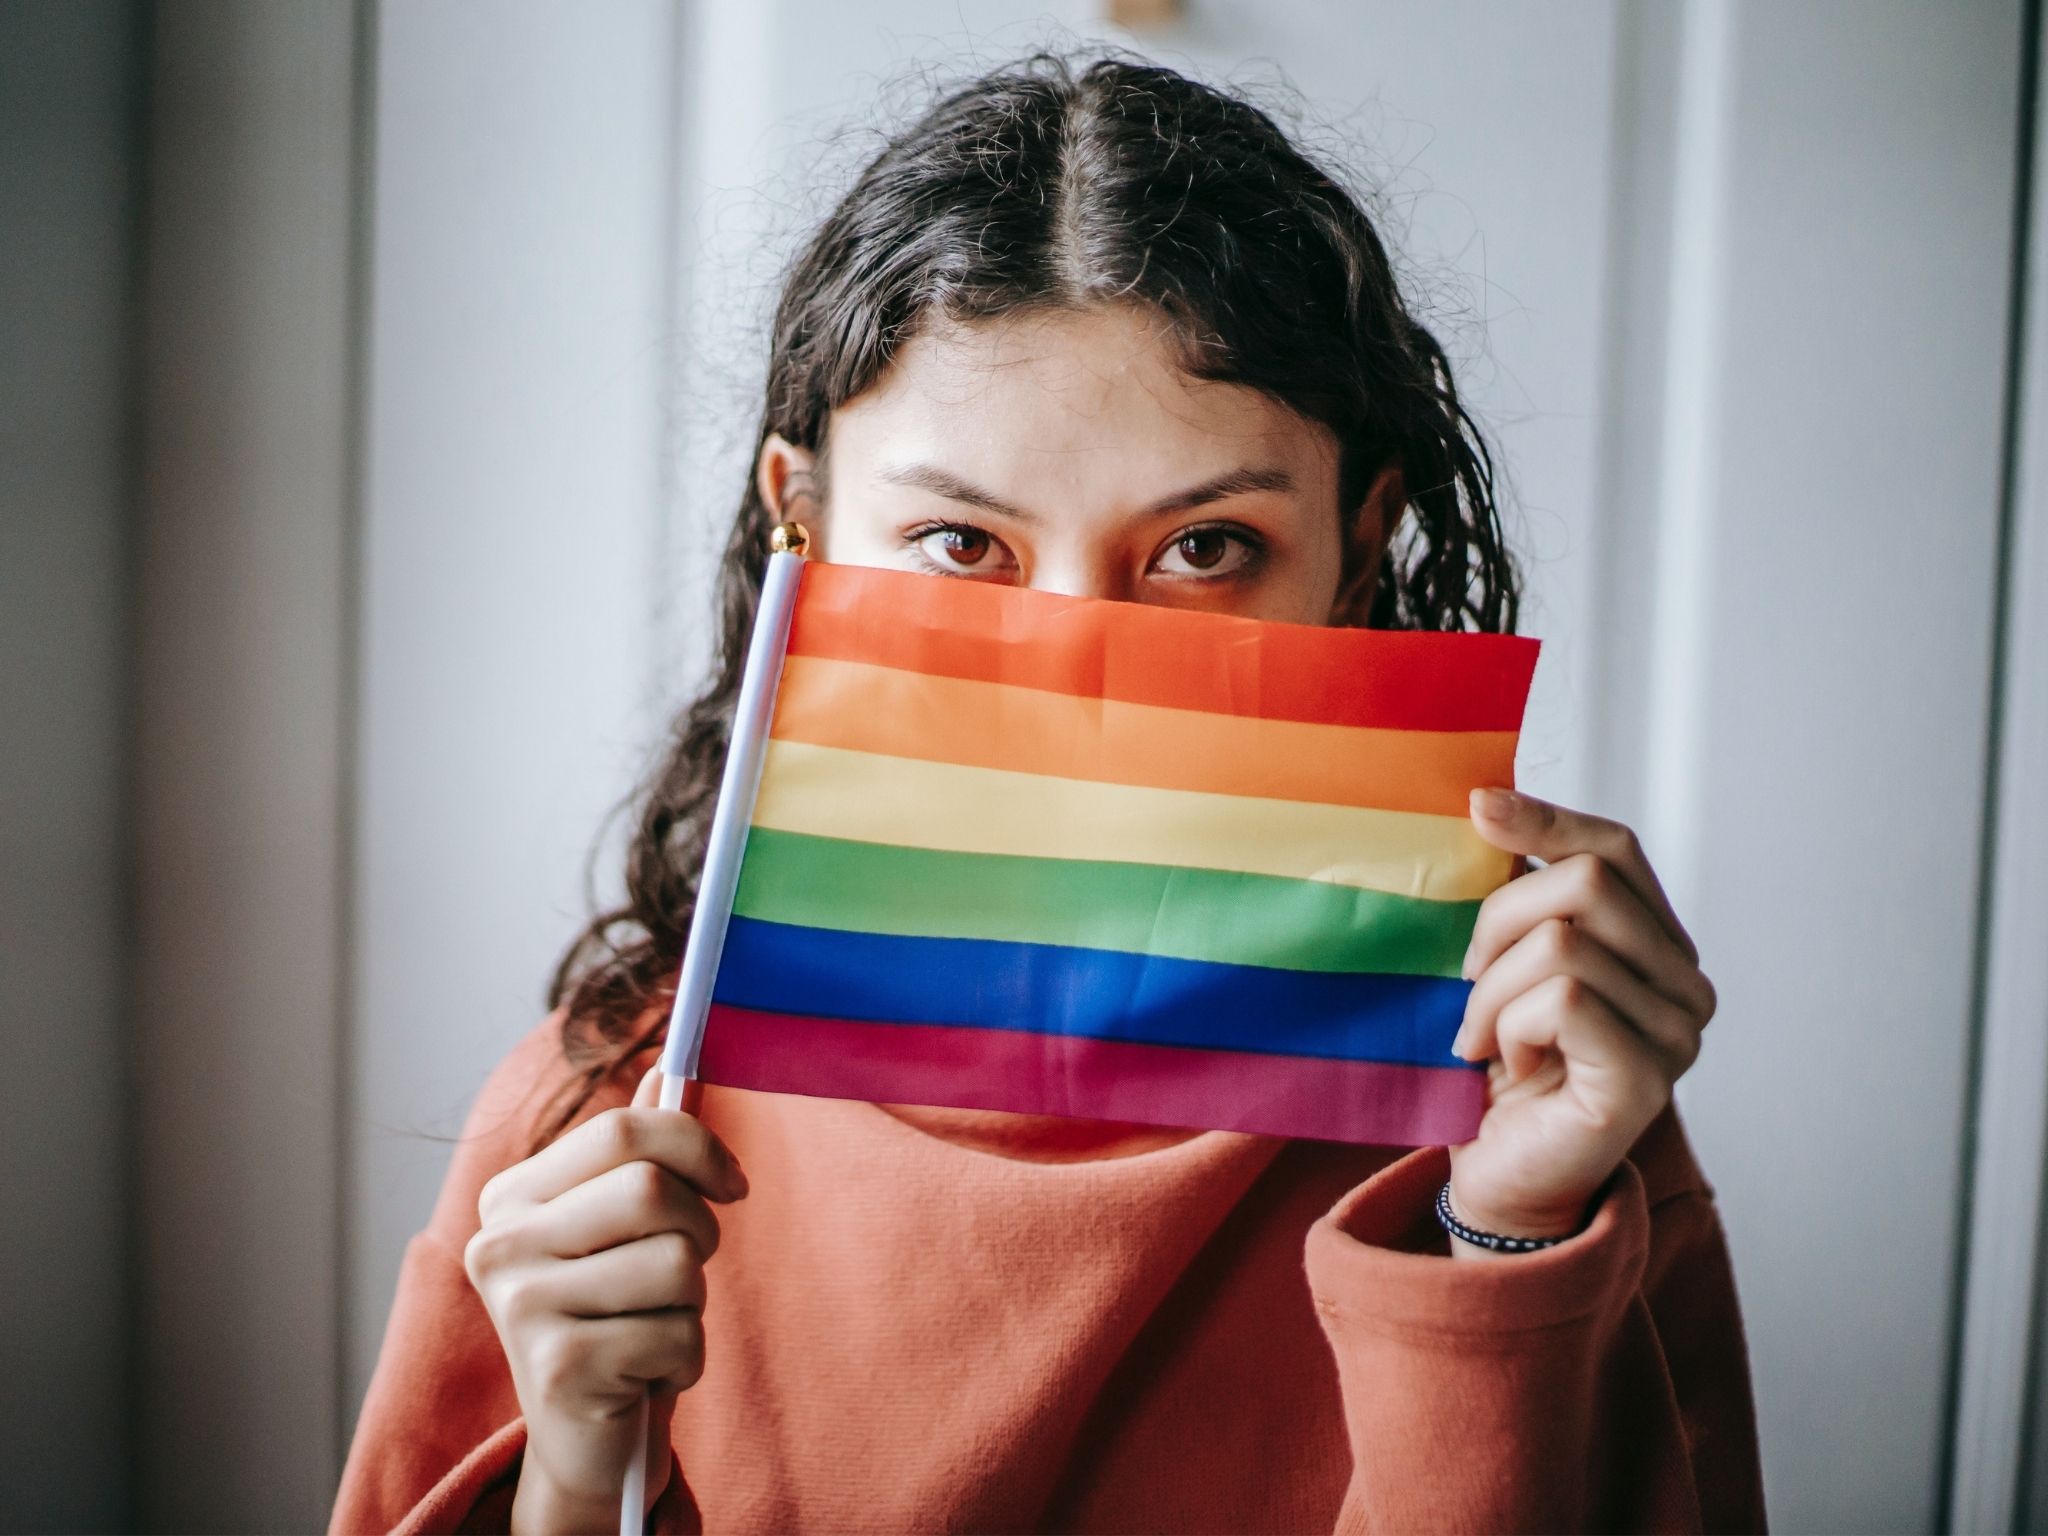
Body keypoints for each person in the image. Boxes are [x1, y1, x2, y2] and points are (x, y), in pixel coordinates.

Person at [331, 53, 1765, 1535]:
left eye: (1205, 548)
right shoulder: (595, 1123)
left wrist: (1511, 1241)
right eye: (962, 544)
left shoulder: (1537, 1112)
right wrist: (573, 1476)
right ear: (801, 529)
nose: (1083, 665)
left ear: (1361, 543)